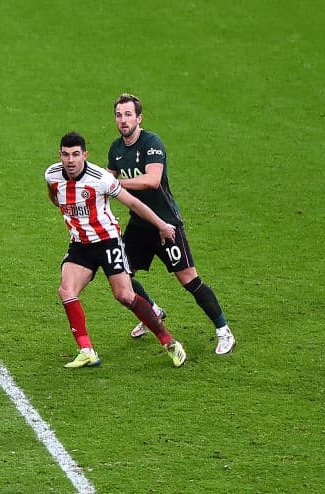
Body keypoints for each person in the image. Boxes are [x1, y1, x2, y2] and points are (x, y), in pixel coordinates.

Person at [45, 131, 187, 368]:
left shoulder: (100, 178)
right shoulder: (52, 174)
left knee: (124, 295)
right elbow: (54, 195)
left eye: (76, 155)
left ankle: (169, 341)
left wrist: (162, 225)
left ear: (85, 155)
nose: (70, 160)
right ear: (60, 155)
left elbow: (132, 202)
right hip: (80, 244)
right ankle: (86, 350)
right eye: (66, 155)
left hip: (108, 242)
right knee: (66, 290)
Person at [107, 93, 235, 354]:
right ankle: (152, 311)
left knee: (189, 279)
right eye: (119, 115)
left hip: (166, 225)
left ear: (139, 118)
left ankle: (223, 330)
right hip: (139, 225)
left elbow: (152, 180)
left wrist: (116, 185)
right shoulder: (116, 149)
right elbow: (105, 182)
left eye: (128, 114)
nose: (123, 120)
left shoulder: (152, 143)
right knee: (122, 275)